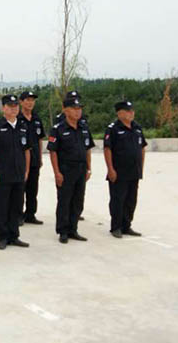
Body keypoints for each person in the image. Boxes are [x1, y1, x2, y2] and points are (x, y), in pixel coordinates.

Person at [0, 94, 31, 250]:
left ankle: (14, 235)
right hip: (2, 175)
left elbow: (27, 150)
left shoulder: (23, 126)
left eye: (15, 106)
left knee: (16, 207)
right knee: (2, 207)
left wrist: (27, 170)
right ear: (3, 108)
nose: (13, 109)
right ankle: (2, 237)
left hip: (19, 174)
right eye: (10, 106)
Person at [48, 97, 94, 243]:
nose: (77, 111)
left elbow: (87, 149)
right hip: (66, 170)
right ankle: (63, 231)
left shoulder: (84, 128)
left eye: (79, 108)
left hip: (81, 169)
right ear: (66, 110)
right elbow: (53, 152)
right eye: (74, 108)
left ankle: (73, 229)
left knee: (78, 201)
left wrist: (89, 168)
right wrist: (57, 172)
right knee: (64, 201)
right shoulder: (58, 129)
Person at [103, 100, 147, 238]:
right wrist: (110, 169)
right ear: (119, 113)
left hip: (134, 171)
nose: (131, 113)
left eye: (132, 110)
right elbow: (107, 149)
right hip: (119, 172)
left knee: (131, 200)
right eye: (128, 111)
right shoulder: (113, 129)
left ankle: (126, 226)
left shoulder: (137, 128)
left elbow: (142, 148)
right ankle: (116, 227)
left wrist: (141, 166)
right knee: (118, 200)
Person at [18, 91, 46, 225]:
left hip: (34, 159)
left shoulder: (36, 119)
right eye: (27, 100)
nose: (30, 103)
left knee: (33, 189)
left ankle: (30, 214)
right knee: (20, 189)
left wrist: (40, 158)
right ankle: (18, 215)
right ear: (21, 102)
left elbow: (40, 139)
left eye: (32, 100)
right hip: (20, 160)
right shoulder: (17, 119)